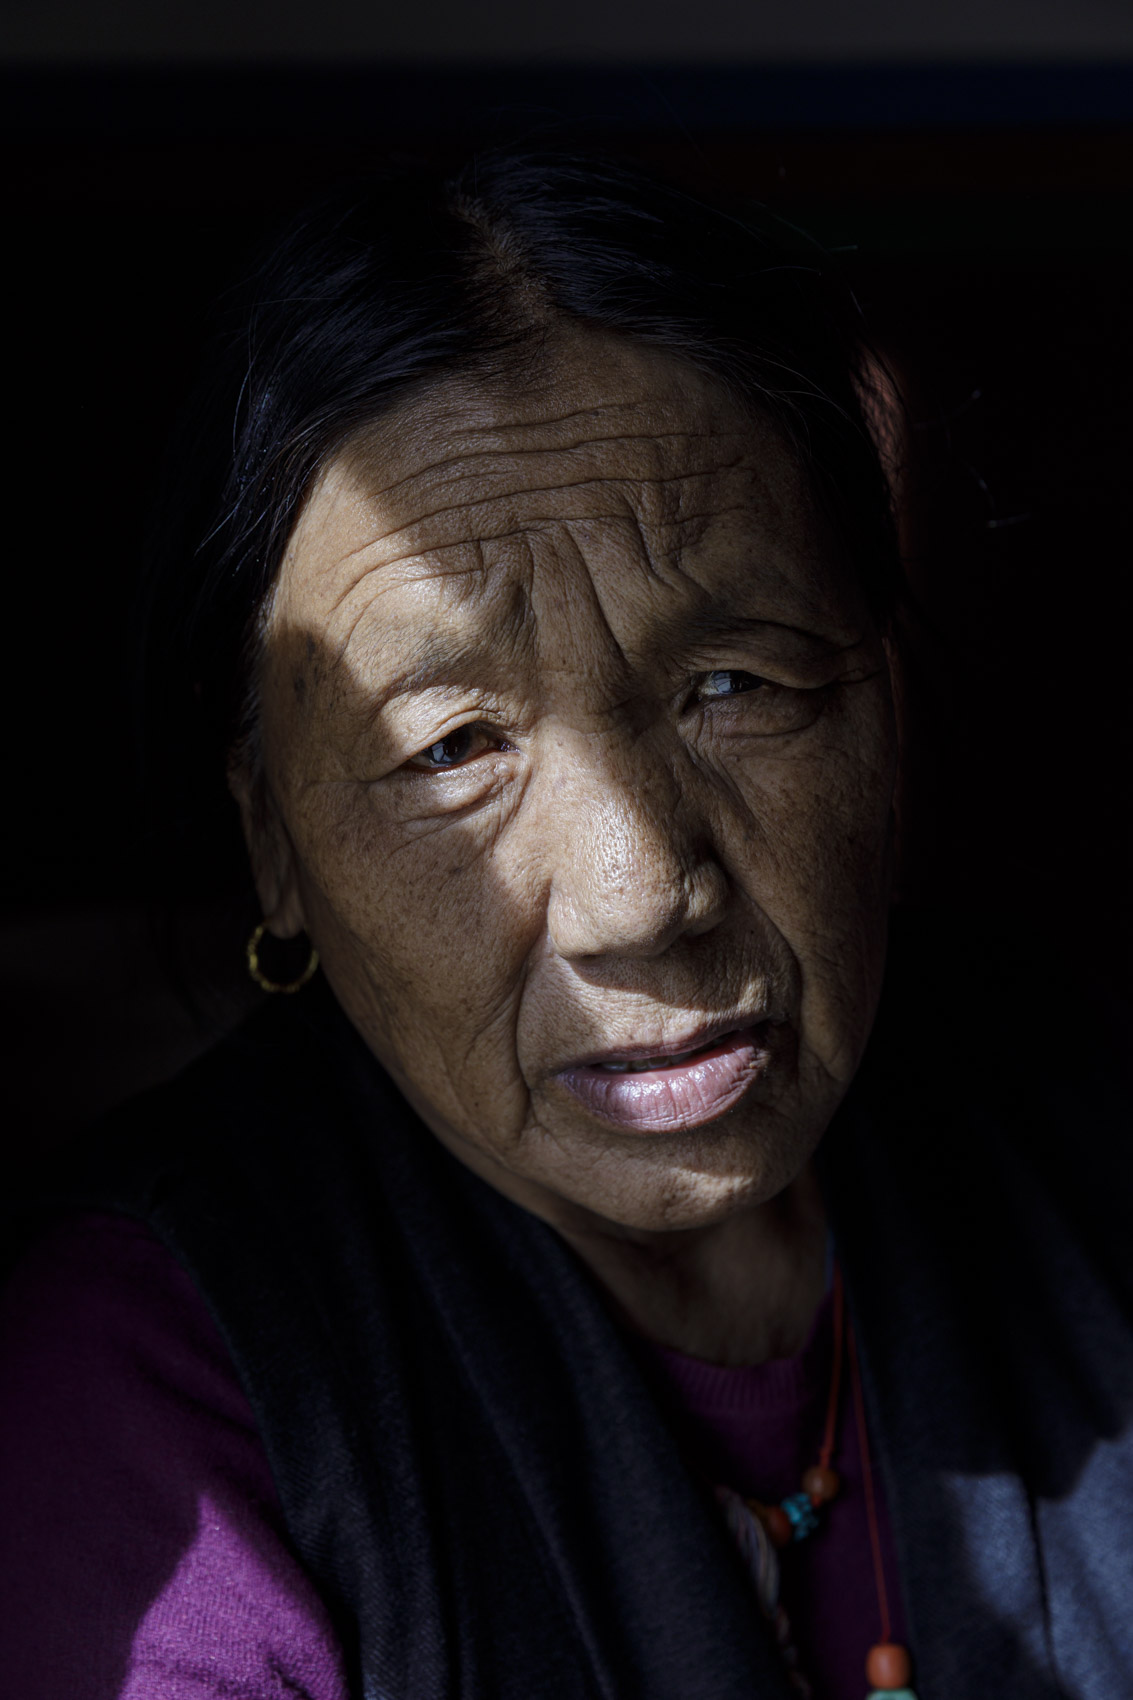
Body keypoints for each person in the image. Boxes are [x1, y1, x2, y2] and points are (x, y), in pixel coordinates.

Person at [2, 150, 1130, 1700]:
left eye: (734, 685)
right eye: (452, 748)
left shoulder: (1079, 1162)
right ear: (271, 838)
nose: (639, 891)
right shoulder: (157, 1387)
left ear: (881, 701)